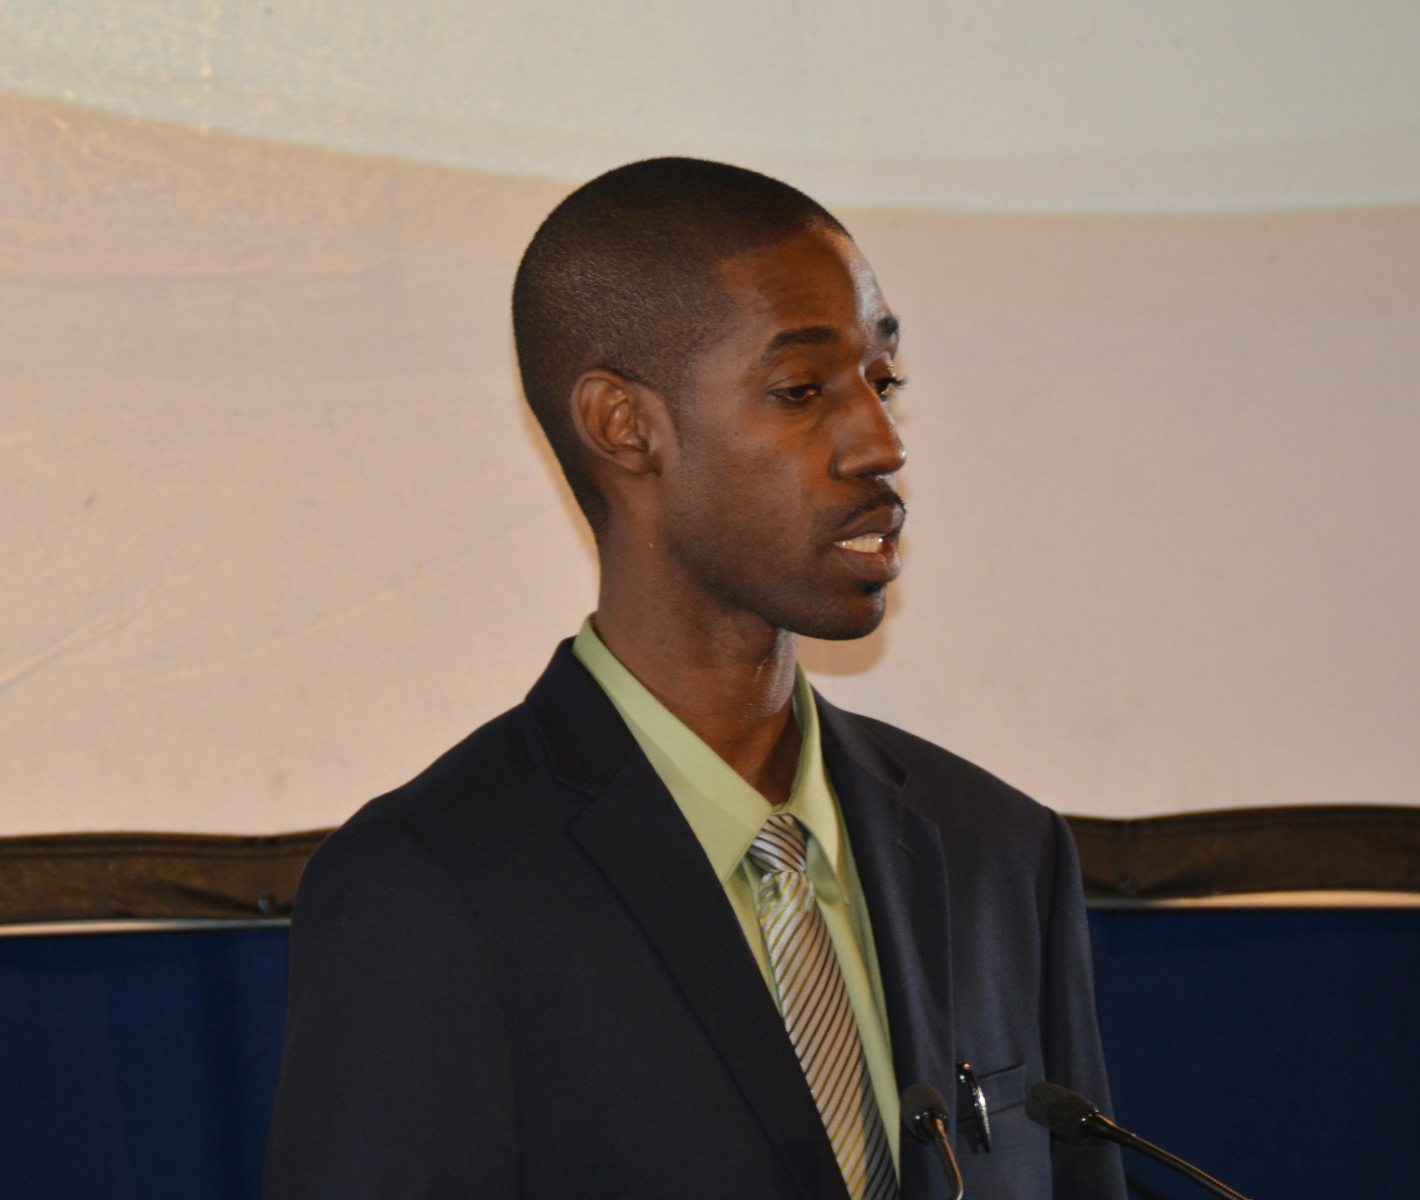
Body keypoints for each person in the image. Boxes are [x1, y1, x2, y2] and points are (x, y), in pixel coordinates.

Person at [263, 158, 1126, 1200]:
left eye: (883, 380)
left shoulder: (999, 852)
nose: (881, 442)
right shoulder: (434, 886)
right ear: (624, 426)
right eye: (802, 391)